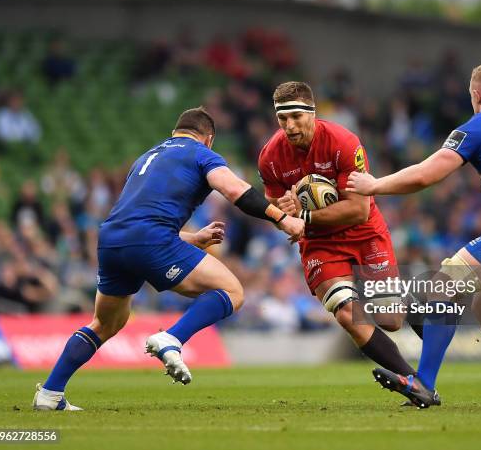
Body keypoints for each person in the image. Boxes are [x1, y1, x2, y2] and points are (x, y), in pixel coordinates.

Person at [33, 107, 304, 411]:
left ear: (176, 131)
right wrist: (282, 218)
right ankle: (171, 339)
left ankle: (50, 392)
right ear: (209, 139)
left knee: (106, 323)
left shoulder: (147, 158)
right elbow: (234, 189)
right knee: (233, 291)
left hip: (111, 241)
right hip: (149, 240)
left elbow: (138, 219)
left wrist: (193, 238)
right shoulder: (201, 153)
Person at [347, 63, 481, 408]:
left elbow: (426, 175)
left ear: (475, 94)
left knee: (440, 287)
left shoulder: (479, 126)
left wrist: (374, 185)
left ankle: (423, 384)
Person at [258, 81, 420, 384]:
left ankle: (410, 299)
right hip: (320, 243)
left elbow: (358, 209)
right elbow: (273, 203)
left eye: (296, 116)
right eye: (283, 119)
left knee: (391, 320)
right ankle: (412, 380)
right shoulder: (270, 157)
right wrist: (283, 213)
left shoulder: (343, 142)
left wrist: (302, 215)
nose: (290, 126)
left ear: (313, 113)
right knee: (346, 312)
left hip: (364, 233)